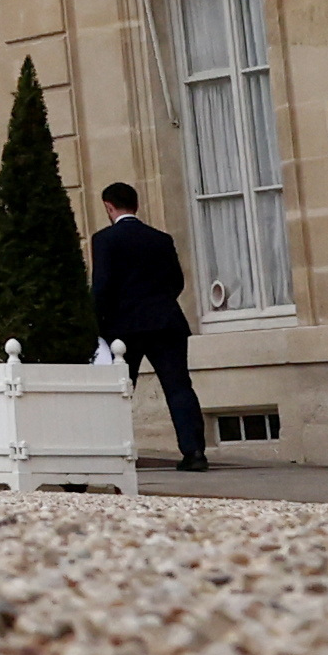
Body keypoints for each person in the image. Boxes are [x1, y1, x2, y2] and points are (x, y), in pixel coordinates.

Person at [91, 178, 206, 472]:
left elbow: (102, 287)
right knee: (179, 387)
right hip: (166, 322)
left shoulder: (104, 240)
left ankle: (115, 451)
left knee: (119, 391)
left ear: (109, 206)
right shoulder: (161, 238)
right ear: (136, 205)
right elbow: (177, 282)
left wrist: (96, 324)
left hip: (122, 329)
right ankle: (194, 453)